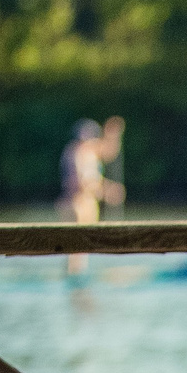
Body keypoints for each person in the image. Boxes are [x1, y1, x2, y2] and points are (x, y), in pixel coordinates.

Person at [57, 117, 126, 276]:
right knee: (77, 254)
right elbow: (82, 183)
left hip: (76, 203)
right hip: (78, 204)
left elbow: (108, 152)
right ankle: (76, 283)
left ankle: (74, 280)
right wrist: (107, 191)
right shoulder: (80, 153)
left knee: (77, 253)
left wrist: (113, 134)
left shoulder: (78, 150)